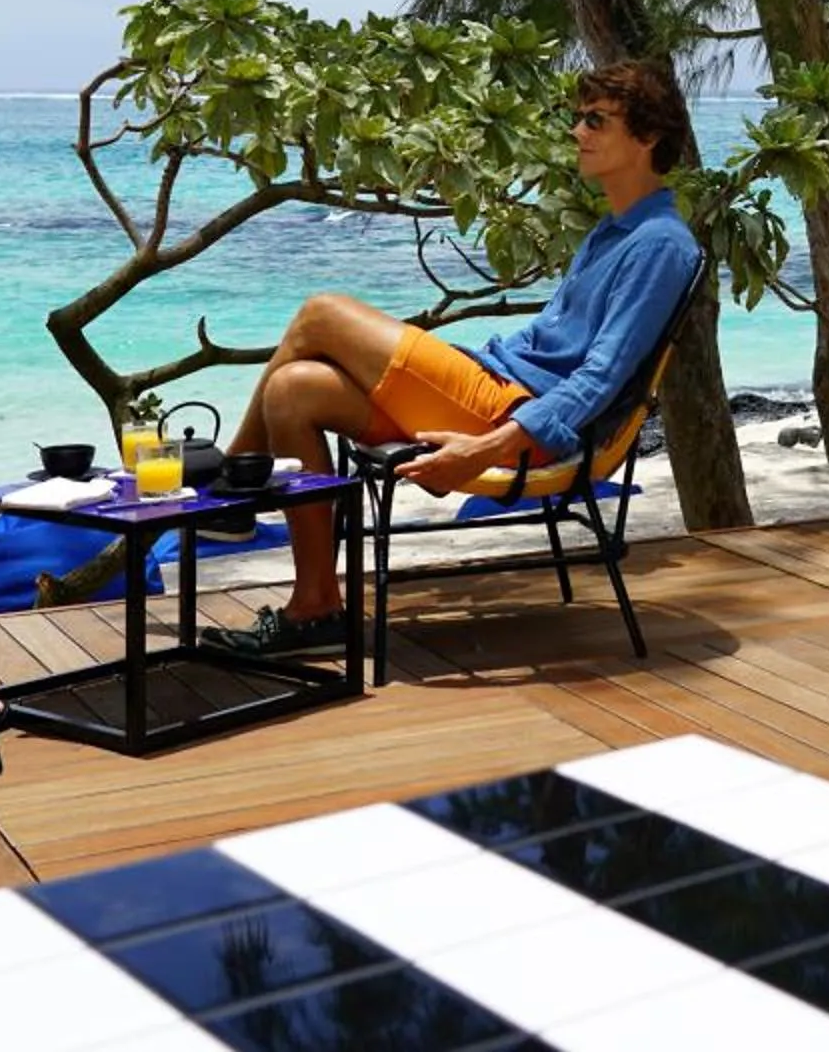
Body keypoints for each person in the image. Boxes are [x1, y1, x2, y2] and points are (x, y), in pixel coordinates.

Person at [204, 58, 705, 659]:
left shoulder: (660, 245)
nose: (577, 132)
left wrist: (484, 450)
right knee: (293, 390)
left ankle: (227, 493)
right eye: (578, 118)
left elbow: (600, 379)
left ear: (647, 137)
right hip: (494, 387)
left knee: (321, 314)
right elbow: (550, 341)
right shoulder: (614, 230)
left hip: (514, 419)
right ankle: (316, 607)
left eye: (596, 120)